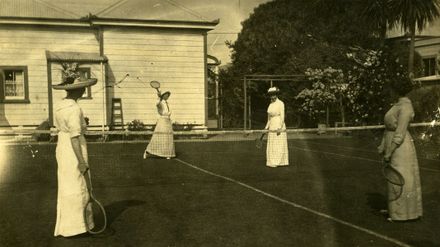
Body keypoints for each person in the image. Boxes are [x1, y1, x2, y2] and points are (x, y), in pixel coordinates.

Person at [52, 77, 97, 237]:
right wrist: (81, 161)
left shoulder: (60, 105)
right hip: (73, 149)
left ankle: (71, 226)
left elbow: (66, 127)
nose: (84, 90)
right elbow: (75, 137)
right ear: (78, 90)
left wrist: (81, 122)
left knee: (68, 184)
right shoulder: (75, 108)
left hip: (62, 147)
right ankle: (78, 227)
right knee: (78, 183)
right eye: (82, 88)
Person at [378, 78, 422, 222]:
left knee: (402, 177)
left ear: (397, 90)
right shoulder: (397, 105)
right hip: (391, 143)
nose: (390, 91)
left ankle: (403, 214)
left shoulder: (406, 107)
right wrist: (383, 145)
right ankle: (394, 209)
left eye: (392, 88)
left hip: (401, 147)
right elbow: (388, 129)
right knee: (393, 177)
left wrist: (390, 151)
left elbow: (400, 132)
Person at [143, 90, 176, 159]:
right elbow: (157, 104)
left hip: (168, 121)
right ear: (162, 96)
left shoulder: (168, 103)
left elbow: (169, 113)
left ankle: (167, 154)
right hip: (162, 121)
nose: (167, 96)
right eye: (165, 95)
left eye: (168, 95)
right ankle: (147, 152)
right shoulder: (160, 102)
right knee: (158, 137)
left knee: (168, 138)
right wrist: (158, 97)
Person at [264, 87, 289, 167]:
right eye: (271, 95)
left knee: (279, 144)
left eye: (274, 95)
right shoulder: (270, 104)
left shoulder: (281, 103)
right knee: (272, 144)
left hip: (279, 125)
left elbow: (282, 116)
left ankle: (280, 162)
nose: (272, 96)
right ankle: (272, 161)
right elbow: (269, 119)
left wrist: (280, 127)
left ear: (276, 95)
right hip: (272, 126)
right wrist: (266, 128)